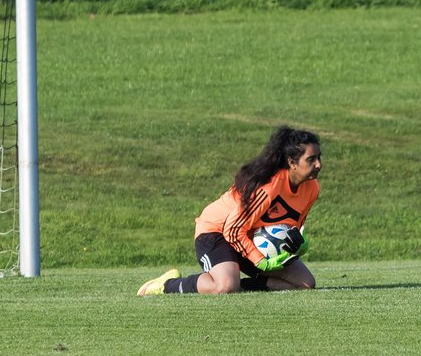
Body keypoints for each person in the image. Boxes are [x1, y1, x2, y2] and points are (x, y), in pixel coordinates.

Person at [138, 126, 322, 295]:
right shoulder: (268, 188)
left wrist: (300, 244)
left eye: (319, 158)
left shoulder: (312, 188)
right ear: (292, 162)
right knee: (225, 286)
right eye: (311, 159)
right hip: (216, 231)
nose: (318, 165)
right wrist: (261, 262)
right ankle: (167, 285)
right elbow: (232, 230)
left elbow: (290, 227)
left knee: (305, 283)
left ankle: (241, 285)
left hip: (249, 238)